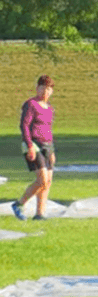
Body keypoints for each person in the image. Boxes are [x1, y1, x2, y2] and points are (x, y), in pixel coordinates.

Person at [13, 75, 56, 221]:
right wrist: (30, 145)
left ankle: (39, 214)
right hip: (34, 144)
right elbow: (24, 125)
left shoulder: (50, 108)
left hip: (47, 145)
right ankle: (19, 204)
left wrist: (52, 151)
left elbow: (48, 129)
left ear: (51, 92)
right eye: (42, 88)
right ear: (37, 88)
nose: (45, 91)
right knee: (42, 180)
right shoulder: (30, 104)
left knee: (48, 182)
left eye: (48, 89)